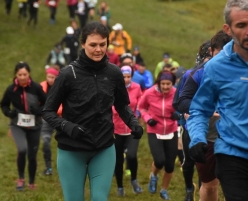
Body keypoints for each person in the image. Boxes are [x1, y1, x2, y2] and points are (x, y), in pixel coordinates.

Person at [42, 22, 143, 201]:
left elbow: (122, 105)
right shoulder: (68, 74)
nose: (98, 49)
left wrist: (133, 122)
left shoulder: (114, 73)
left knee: (99, 199)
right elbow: (48, 111)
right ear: (83, 44)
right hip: (72, 149)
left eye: (102, 44)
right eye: (93, 45)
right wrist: (67, 126)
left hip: (103, 148)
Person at [187, 1, 248, 200]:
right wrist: (197, 138)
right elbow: (199, 110)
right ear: (228, 29)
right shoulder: (215, 67)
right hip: (234, 158)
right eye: (241, 25)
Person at [178, 30, 232, 201]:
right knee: (209, 186)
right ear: (211, 51)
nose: (223, 58)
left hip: (234, 138)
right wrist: (206, 110)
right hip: (206, 137)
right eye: (219, 54)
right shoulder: (198, 73)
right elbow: (181, 102)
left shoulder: (242, 71)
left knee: (235, 186)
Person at [0, 61, 46, 191]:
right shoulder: (11, 89)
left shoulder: (36, 88)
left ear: (29, 74)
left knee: (32, 154)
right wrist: (9, 112)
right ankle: (21, 179)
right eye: (19, 74)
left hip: (34, 125)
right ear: (16, 75)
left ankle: (31, 182)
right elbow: (3, 104)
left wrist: (39, 111)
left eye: (25, 74)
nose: (22, 77)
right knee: (22, 150)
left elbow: (47, 103)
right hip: (17, 125)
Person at [138, 71, 179, 200]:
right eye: (163, 84)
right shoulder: (150, 93)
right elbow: (141, 107)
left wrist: (177, 113)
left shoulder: (176, 93)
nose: (166, 87)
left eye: (169, 84)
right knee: (160, 161)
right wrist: (147, 118)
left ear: (172, 83)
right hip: (154, 129)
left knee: (170, 165)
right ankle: (154, 176)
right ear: (158, 83)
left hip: (171, 130)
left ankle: (164, 191)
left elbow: (184, 106)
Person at [113, 65, 143, 196]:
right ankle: (120, 186)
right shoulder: (114, 88)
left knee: (131, 155)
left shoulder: (136, 87)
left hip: (132, 129)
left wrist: (140, 118)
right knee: (118, 159)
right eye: (123, 77)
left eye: (128, 77)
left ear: (132, 76)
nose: (126, 79)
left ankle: (134, 180)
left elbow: (140, 104)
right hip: (116, 129)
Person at [40, 67, 62, 175]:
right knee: (45, 142)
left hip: (60, 118)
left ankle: (65, 168)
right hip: (46, 119)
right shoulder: (41, 87)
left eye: (53, 77)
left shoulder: (62, 87)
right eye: (49, 77)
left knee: (64, 143)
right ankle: (48, 167)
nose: (50, 79)